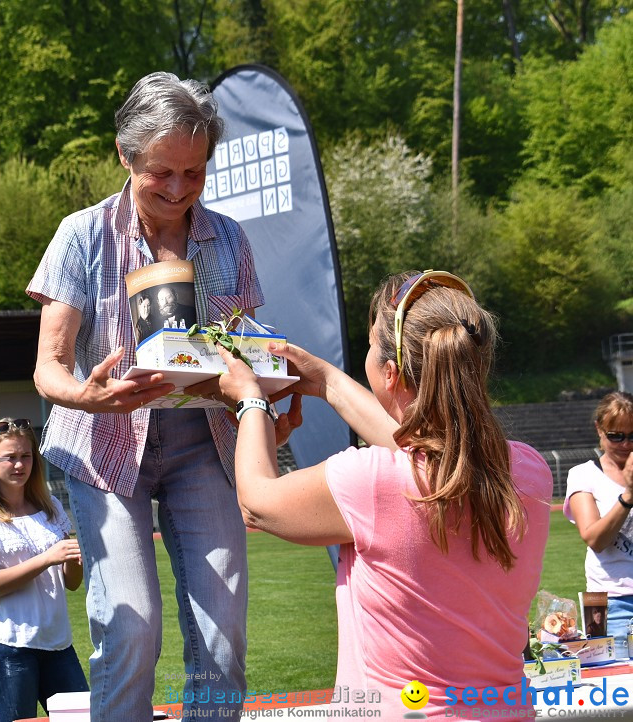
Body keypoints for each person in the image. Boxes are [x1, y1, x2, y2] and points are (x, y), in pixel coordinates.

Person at [192, 270, 552, 718]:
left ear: (389, 373)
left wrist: (251, 401)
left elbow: (257, 503)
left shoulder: (372, 481)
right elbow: (435, 452)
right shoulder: (530, 471)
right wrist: (327, 381)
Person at [26, 71, 263, 720]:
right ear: (124, 153)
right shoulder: (82, 235)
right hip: (104, 452)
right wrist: (88, 395)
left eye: (196, 172)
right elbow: (48, 368)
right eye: (163, 172)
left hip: (205, 448)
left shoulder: (230, 239)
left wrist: (270, 395)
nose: (180, 189)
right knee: (130, 630)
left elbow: (249, 350)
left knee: (224, 640)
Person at [0, 418, 88, 722]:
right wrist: (46, 558)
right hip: (5, 646)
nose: (19, 465)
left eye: (25, 456)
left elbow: (71, 583)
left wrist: (75, 559)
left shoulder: (49, 506)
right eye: (9, 457)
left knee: (83, 719)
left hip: (57, 642)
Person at [564, 391, 633, 639]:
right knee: (614, 676)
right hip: (608, 601)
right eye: (616, 436)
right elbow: (595, 539)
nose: (626, 444)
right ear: (599, 430)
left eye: (632, 436)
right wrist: (628, 496)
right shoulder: (583, 474)